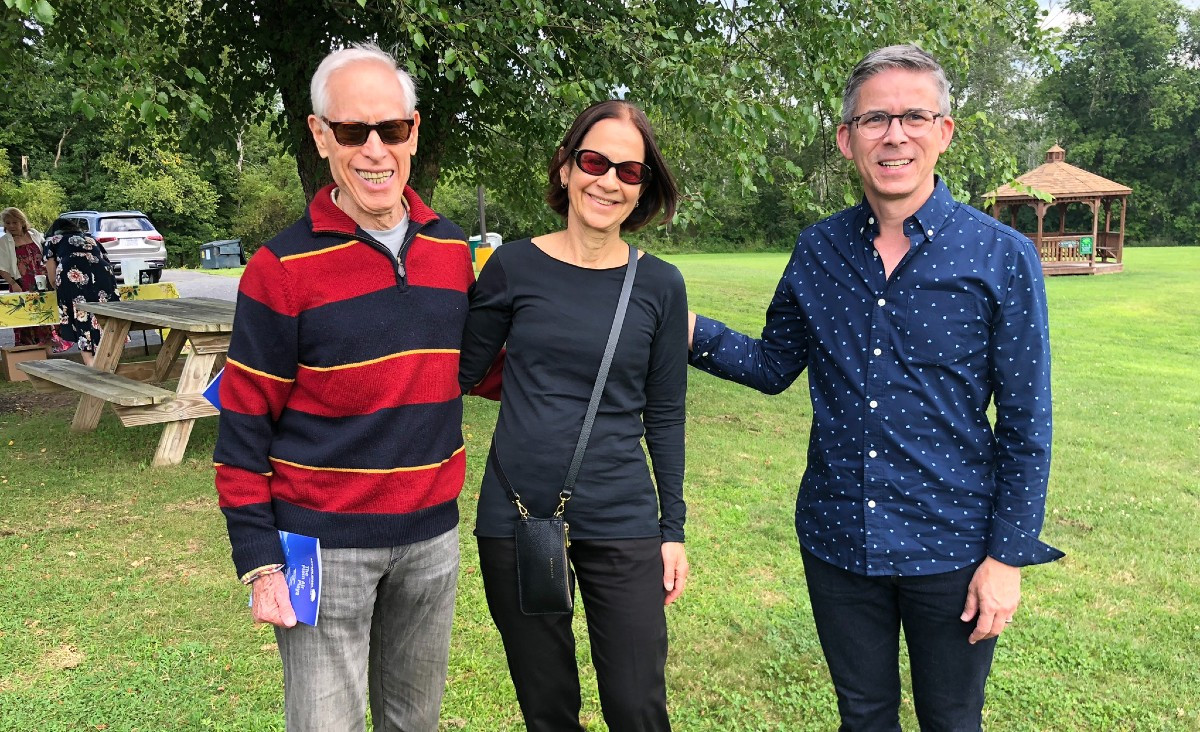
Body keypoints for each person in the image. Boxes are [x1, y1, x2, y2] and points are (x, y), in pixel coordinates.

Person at [688, 45, 1064, 730]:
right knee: (862, 716)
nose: (895, 134)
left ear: (944, 131)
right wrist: (679, 327)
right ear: (846, 139)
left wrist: (1007, 557)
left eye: (914, 115)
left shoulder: (1000, 255)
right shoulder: (818, 250)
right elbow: (774, 365)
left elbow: (1026, 420)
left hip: (952, 545)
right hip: (837, 538)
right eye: (874, 119)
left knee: (952, 721)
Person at [213, 43, 497, 731]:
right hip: (321, 546)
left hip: (432, 542)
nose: (374, 149)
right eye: (351, 130)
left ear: (414, 130)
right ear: (320, 135)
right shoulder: (278, 269)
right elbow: (243, 425)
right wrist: (260, 561)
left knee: (414, 722)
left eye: (391, 129)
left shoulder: (452, 250)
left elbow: (481, 368)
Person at [459, 100, 689, 732]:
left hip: (623, 517)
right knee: (548, 707)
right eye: (594, 161)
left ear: (643, 188)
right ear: (565, 168)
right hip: (517, 516)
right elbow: (455, 370)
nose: (608, 181)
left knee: (638, 706)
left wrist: (674, 529)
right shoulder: (511, 267)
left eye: (629, 171)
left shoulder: (660, 285)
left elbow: (666, 414)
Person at [42, 217, 121, 365]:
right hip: (103, 275)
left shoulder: (52, 241)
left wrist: (57, 288)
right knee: (105, 315)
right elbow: (105, 259)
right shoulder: (90, 239)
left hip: (73, 275)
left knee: (81, 318)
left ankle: (92, 364)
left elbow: (52, 277)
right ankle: (109, 359)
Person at [1, 206, 53, 346]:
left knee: (45, 319)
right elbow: (2, 267)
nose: (11, 226)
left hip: (42, 282)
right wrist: (13, 284)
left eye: (14, 222)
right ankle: (28, 355)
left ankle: (47, 354)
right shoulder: (4, 241)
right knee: (26, 321)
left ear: (22, 222)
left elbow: (47, 254)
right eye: (7, 222)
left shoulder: (34, 234)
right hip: (22, 284)